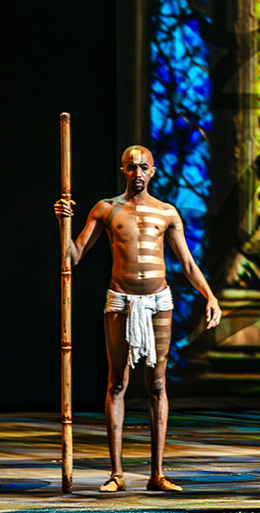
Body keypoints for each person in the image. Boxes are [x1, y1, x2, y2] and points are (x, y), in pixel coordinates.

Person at [54, 144, 221, 493]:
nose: (138, 172)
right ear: (123, 171)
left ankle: (157, 473)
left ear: (153, 171)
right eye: (132, 167)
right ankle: (116, 473)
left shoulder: (167, 213)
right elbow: (73, 257)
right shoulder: (106, 209)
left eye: (144, 166)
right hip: (121, 302)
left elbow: (188, 264)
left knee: (157, 384)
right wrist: (63, 222)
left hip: (159, 302)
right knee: (117, 383)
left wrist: (210, 296)